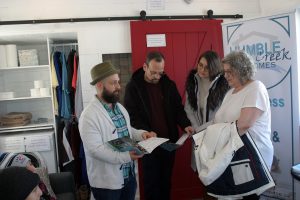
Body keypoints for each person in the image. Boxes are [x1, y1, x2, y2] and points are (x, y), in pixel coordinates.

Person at [79, 62, 156, 200]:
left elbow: (127, 130)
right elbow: (95, 150)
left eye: (118, 82)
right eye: (113, 83)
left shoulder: (119, 107)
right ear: (99, 85)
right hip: (106, 184)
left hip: (128, 177)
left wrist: (141, 134)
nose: (119, 87)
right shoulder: (88, 116)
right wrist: (127, 157)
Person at [124, 51, 194, 200]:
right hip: (147, 142)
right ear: (145, 67)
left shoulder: (169, 85)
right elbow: (132, 116)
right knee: (151, 183)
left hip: (168, 143)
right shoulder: (133, 87)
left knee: (165, 182)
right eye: (153, 73)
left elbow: (177, 109)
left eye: (160, 73)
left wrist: (185, 124)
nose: (157, 77)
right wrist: (146, 131)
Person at [213, 51, 274, 200]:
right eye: (224, 71)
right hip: (232, 153)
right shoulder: (230, 92)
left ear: (242, 69)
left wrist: (215, 136)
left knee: (248, 196)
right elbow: (220, 120)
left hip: (251, 155)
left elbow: (244, 124)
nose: (225, 75)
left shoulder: (256, 88)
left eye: (229, 71)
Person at [185, 50, 229, 131]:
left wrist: (207, 129)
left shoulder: (224, 84)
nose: (202, 70)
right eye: (200, 65)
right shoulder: (192, 81)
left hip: (217, 131)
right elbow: (189, 109)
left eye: (207, 68)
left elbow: (224, 112)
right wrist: (197, 129)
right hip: (197, 132)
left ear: (214, 68)